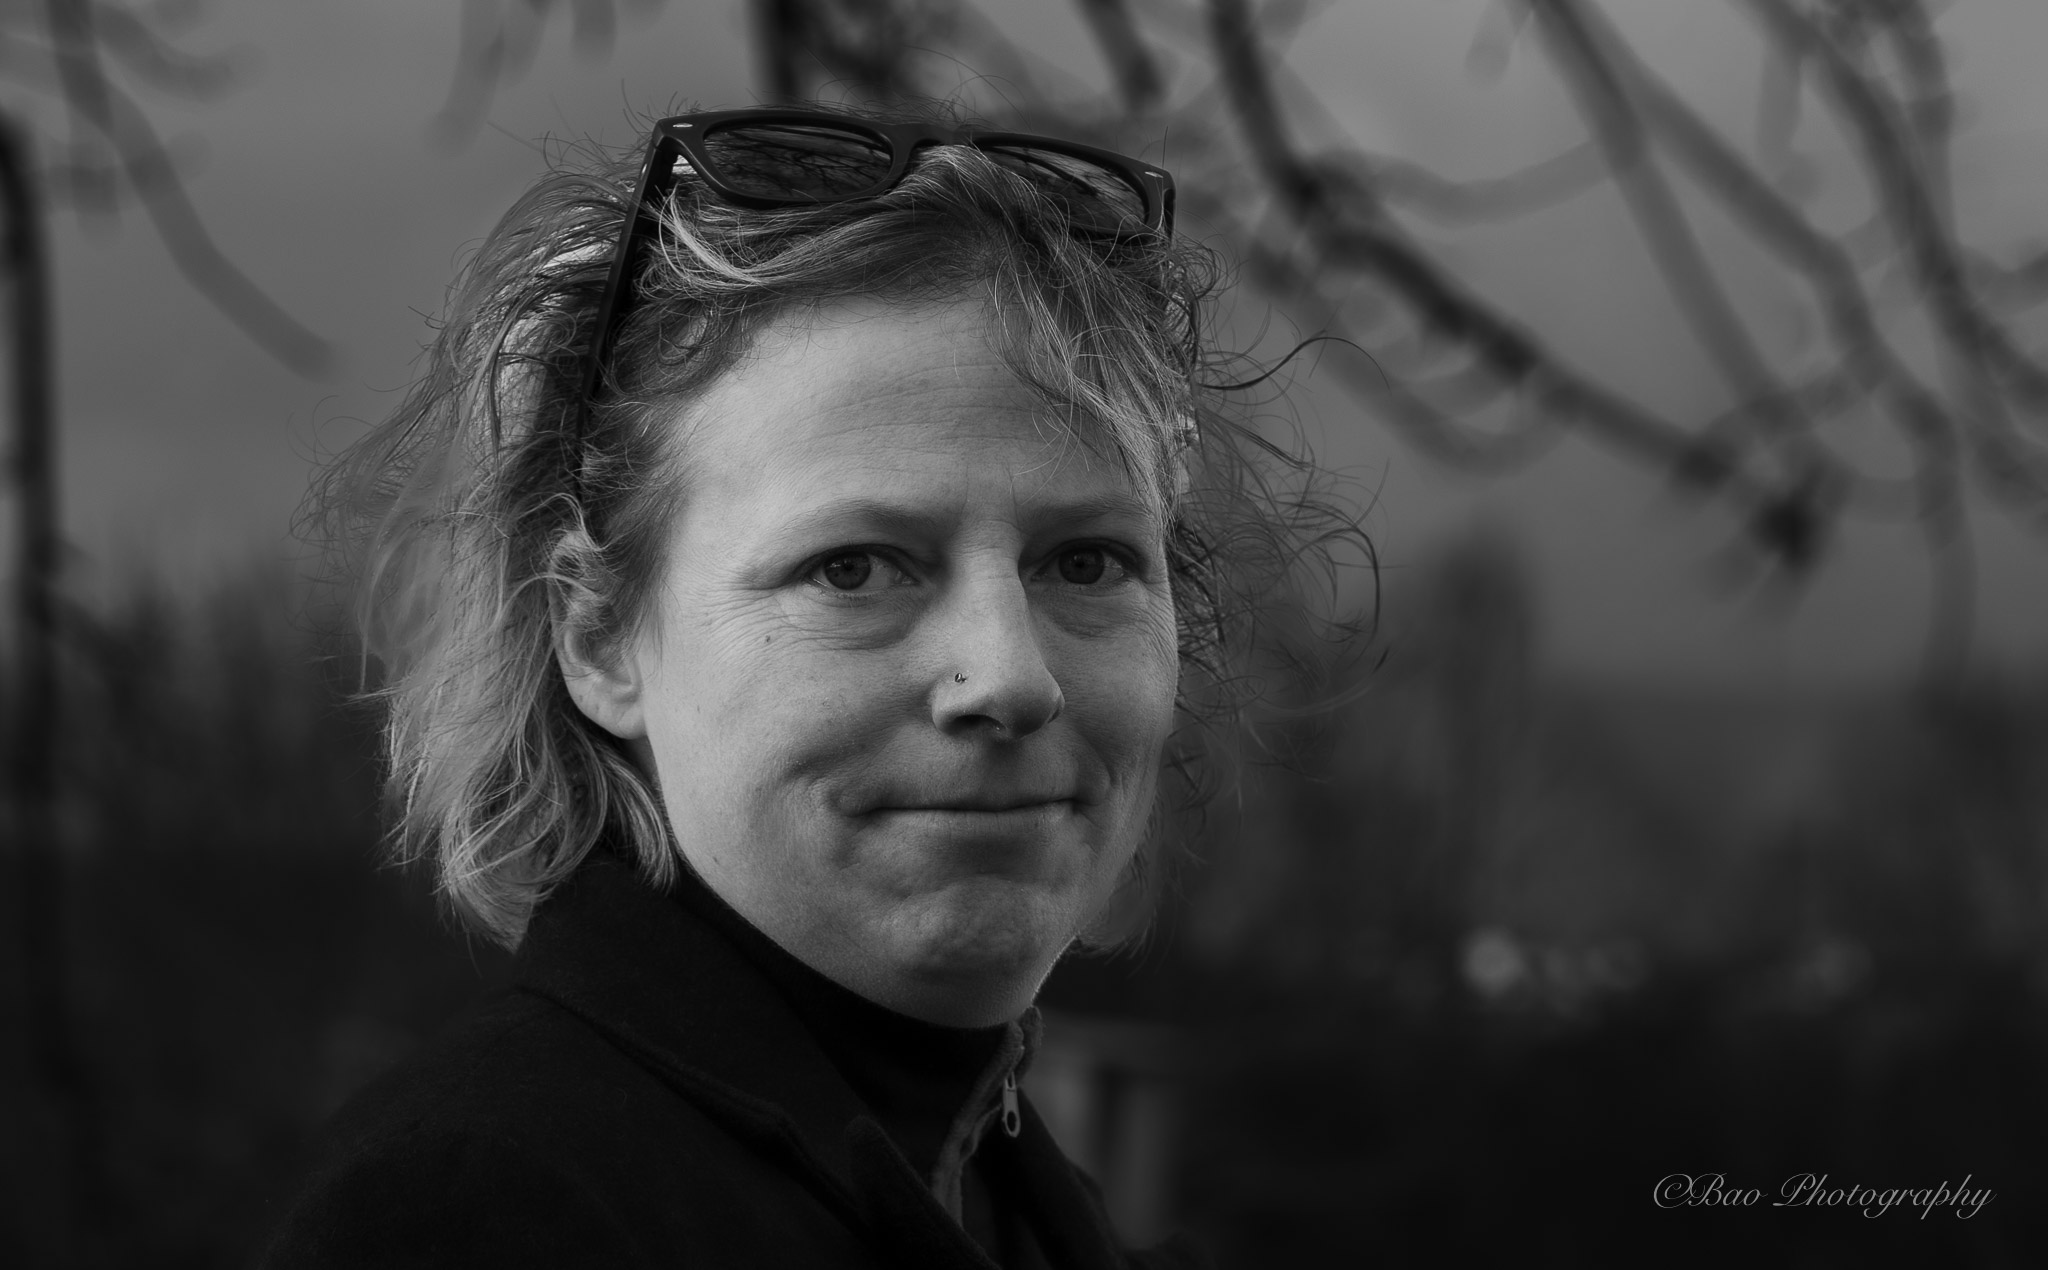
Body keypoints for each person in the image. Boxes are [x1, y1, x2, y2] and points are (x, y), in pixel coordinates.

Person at [264, 102, 1362, 1268]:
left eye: (1083, 561)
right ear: (595, 638)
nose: (1008, 676)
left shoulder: (1007, 1199)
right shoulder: (481, 1213)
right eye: (854, 568)